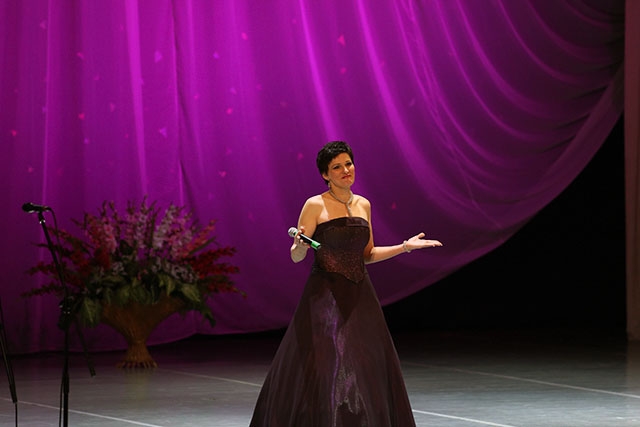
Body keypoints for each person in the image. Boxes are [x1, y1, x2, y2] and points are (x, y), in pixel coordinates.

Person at [249, 141, 442, 427]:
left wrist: (405, 247)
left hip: (360, 294)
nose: (345, 170)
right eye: (337, 167)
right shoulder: (314, 205)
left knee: (365, 363)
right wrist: (299, 246)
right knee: (327, 364)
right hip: (324, 297)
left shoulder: (363, 204)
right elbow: (296, 255)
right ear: (325, 174)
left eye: (348, 164)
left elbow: (367, 254)